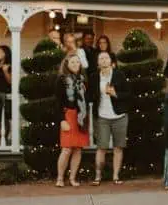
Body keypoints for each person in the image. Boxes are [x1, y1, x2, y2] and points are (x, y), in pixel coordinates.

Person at [89, 52, 130, 186]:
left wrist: (115, 94)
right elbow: (90, 96)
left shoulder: (119, 75)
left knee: (118, 147)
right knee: (101, 147)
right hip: (102, 116)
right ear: (98, 63)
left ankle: (115, 176)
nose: (104, 60)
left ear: (111, 61)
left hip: (119, 116)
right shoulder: (94, 77)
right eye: (101, 58)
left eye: (106, 58)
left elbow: (129, 93)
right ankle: (98, 176)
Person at [55, 54, 88, 187]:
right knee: (67, 149)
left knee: (78, 149)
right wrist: (62, 120)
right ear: (67, 64)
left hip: (81, 116)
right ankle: (60, 178)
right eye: (73, 62)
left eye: (77, 62)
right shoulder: (61, 80)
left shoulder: (83, 80)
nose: (75, 65)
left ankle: (73, 178)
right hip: (68, 115)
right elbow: (57, 103)